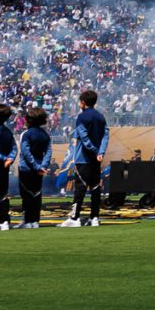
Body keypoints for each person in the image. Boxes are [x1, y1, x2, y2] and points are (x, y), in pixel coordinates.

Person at [64, 88, 108, 227]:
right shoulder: (101, 117)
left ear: (82, 102)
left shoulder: (81, 117)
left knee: (80, 188)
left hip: (83, 158)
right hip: (96, 159)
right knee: (95, 188)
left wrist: (95, 151)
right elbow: (106, 135)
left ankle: (75, 218)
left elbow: (84, 138)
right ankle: (94, 217)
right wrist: (100, 153)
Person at [17, 107, 53, 228]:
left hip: (27, 168)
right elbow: (48, 152)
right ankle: (35, 221)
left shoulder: (26, 134)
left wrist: (36, 167)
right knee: (37, 194)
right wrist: (43, 166)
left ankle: (27, 221)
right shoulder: (45, 135)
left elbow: (26, 152)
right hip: (39, 170)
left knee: (26, 194)